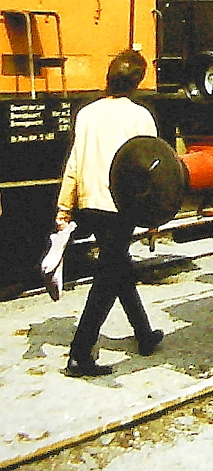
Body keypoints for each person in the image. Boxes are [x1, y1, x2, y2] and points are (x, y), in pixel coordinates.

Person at [55, 50, 164, 377]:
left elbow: (74, 163)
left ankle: (144, 335)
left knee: (117, 268)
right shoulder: (139, 117)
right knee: (106, 279)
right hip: (122, 206)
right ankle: (80, 355)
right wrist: (154, 215)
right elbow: (151, 170)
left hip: (90, 204)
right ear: (137, 81)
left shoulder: (86, 114)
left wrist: (64, 206)